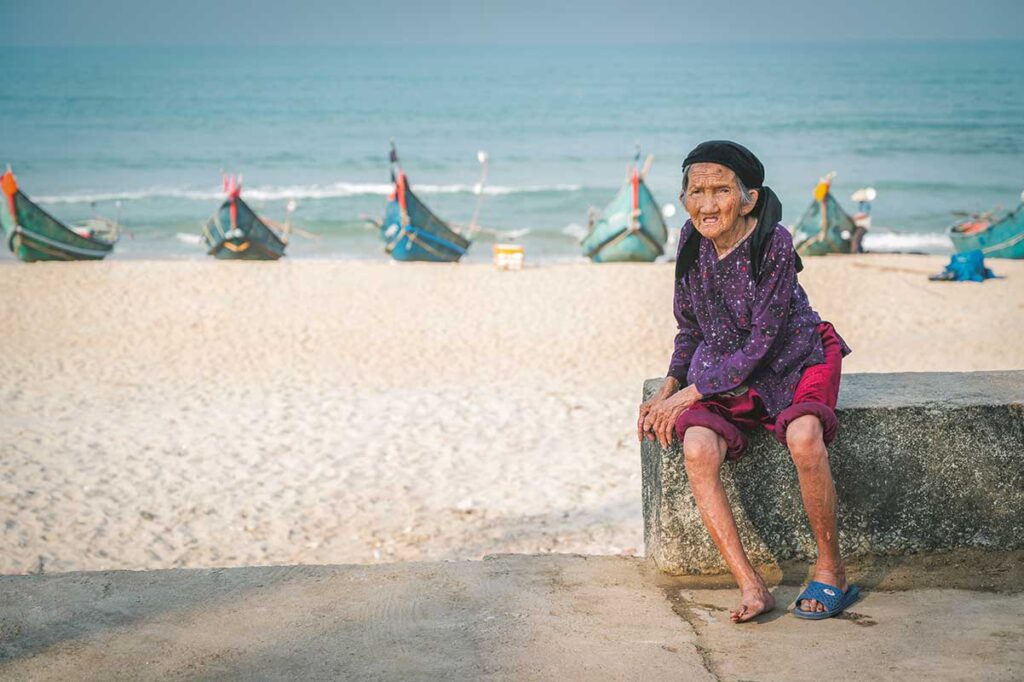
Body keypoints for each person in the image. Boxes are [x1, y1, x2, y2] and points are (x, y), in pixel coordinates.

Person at [638, 140, 860, 623]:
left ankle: (832, 569)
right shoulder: (689, 242)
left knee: (804, 437)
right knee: (696, 446)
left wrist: (694, 391)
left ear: (749, 198)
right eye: (697, 191)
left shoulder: (773, 242)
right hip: (723, 368)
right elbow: (691, 329)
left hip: (793, 357)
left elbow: (763, 343)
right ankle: (751, 584)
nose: (708, 203)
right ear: (683, 200)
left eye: (721, 190)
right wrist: (670, 386)